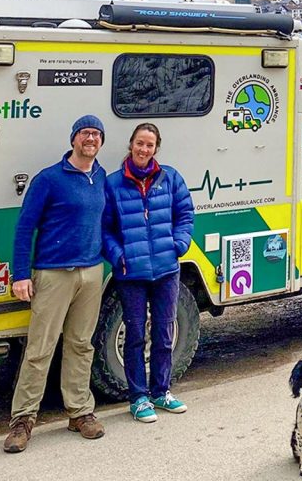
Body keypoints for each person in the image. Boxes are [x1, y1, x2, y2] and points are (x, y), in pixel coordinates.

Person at [3, 115, 108, 453]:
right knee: (40, 348)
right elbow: (24, 228)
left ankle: (79, 412)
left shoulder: (101, 176)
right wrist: (21, 274)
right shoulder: (48, 179)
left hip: (91, 273)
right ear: (73, 139)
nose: (90, 139)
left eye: (95, 134)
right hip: (52, 274)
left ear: (101, 142)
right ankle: (22, 421)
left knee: (81, 344)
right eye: (84, 134)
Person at [102, 122, 194, 423]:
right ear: (131, 145)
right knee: (134, 337)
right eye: (139, 143)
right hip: (131, 274)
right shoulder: (113, 183)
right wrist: (119, 256)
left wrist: (179, 244)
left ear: (156, 149)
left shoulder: (170, 178)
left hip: (166, 270)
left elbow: (185, 214)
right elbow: (104, 229)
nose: (144, 149)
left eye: (149, 145)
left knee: (164, 333)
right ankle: (138, 397)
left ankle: (161, 392)